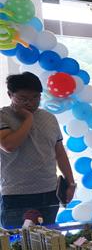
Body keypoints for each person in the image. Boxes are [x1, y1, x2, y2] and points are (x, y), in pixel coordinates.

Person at [0, 72, 75, 227]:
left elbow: (60, 153)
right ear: (10, 95)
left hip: (49, 192)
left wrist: (71, 183)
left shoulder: (49, 118)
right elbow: (9, 145)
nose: (30, 103)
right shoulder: (3, 116)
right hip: (16, 195)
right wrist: (29, 119)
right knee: (15, 239)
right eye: (23, 98)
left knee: (48, 239)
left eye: (35, 97)